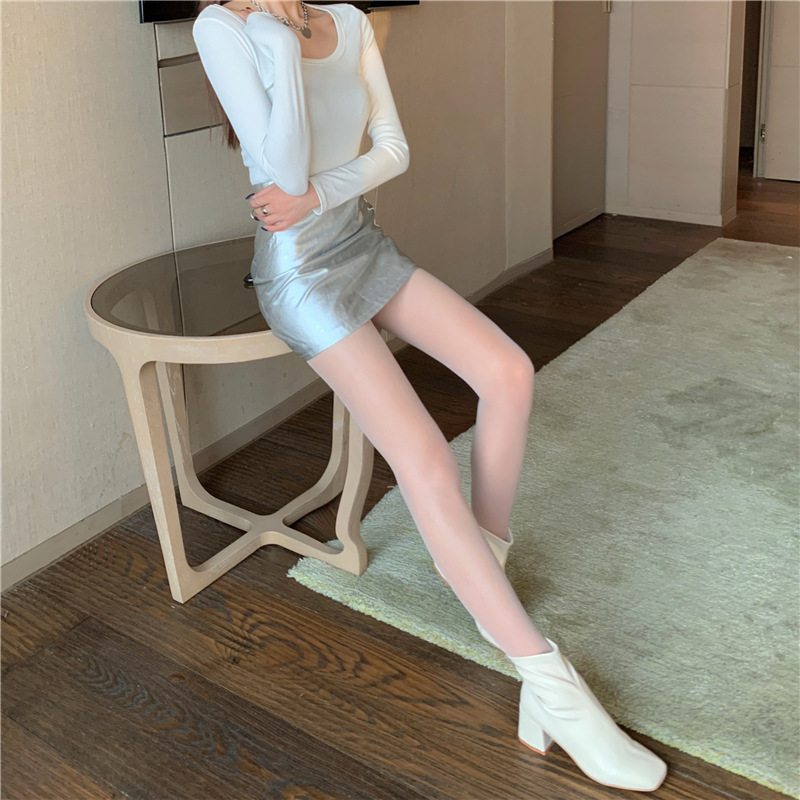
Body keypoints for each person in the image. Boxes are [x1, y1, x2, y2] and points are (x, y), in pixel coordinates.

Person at [192, 1, 667, 791]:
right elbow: (282, 172)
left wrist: (321, 195)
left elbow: (394, 150)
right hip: (300, 275)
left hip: (357, 241)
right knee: (424, 459)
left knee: (508, 372)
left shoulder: (346, 19)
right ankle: (550, 684)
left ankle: (480, 565)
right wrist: (275, 42)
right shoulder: (225, 29)